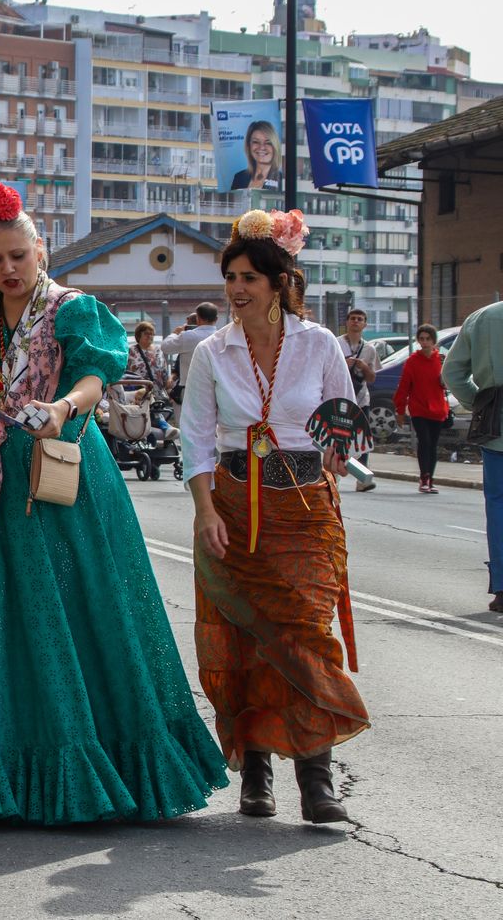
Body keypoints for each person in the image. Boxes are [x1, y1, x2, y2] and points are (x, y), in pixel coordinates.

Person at [0, 182, 227, 826]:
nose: (7, 270)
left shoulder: (73, 309)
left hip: (60, 469)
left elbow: (98, 375)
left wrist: (64, 407)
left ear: (40, 251)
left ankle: (92, 756)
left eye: (18, 256)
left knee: (77, 607)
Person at [182, 208, 368, 823]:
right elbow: (197, 439)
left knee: (309, 635)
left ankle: (316, 780)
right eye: (230, 277)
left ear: (278, 282)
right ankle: (255, 771)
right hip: (233, 507)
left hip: (306, 506)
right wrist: (205, 509)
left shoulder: (319, 345)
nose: (237, 288)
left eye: (249, 278)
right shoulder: (212, 351)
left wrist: (342, 447)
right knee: (241, 639)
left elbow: (344, 423)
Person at [443, 300, 503, 612]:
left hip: (496, 426)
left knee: (498, 507)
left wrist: (478, 401)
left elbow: (452, 373)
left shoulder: (482, 318)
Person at [395, 324, 451, 494]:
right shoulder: (412, 361)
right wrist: (400, 410)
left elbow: (448, 383)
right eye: (422, 339)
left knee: (433, 444)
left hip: (438, 409)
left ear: (434, 341)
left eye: (428, 339)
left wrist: (445, 377)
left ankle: (430, 479)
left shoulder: (441, 360)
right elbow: (403, 387)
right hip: (419, 408)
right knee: (424, 441)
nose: (425, 342)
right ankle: (424, 477)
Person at [337, 308, 381, 490]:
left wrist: (363, 367)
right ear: (347, 322)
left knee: (362, 439)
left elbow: (372, 378)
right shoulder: (337, 344)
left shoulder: (369, 349)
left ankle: (362, 479)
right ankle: (334, 476)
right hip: (340, 400)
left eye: (360, 319)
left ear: (365, 324)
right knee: (338, 439)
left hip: (361, 399)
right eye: (353, 318)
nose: (356, 322)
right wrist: (343, 364)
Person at [161, 302, 221, 409]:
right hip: (216, 389)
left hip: (191, 389)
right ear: (216, 319)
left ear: (197, 318)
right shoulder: (222, 337)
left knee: (188, 423)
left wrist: (175, 333)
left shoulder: (188, 336)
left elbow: (165, 347)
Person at [229, 121, 284, 191]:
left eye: (268, 143)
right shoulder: (239, 177)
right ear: (249, 146)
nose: (261, 147)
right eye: (256, 142)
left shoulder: (283, 180)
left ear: (275, 147)